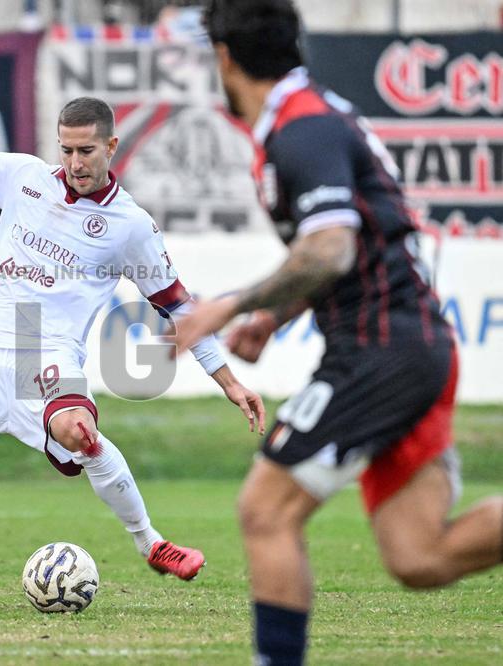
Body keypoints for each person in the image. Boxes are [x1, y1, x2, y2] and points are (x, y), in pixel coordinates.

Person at [0, 78, 266, 612]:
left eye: (86, 150)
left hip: (53, 352)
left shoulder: (130, 226)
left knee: (80, 434)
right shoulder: (24, 178)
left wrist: (228, 381)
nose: (74, 161)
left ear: (112, 147)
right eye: (65, 149)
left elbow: (179, 307)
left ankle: (152, 543)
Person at [173, 1, 503, 663]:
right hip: (406, 344)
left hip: (382, 351)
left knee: (265, 510)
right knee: (419, 556)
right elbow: (350, 248)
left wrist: (231, 306)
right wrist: (274, 316)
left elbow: (330, 250)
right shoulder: (306, 120)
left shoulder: (304, 130)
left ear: (225, 58)